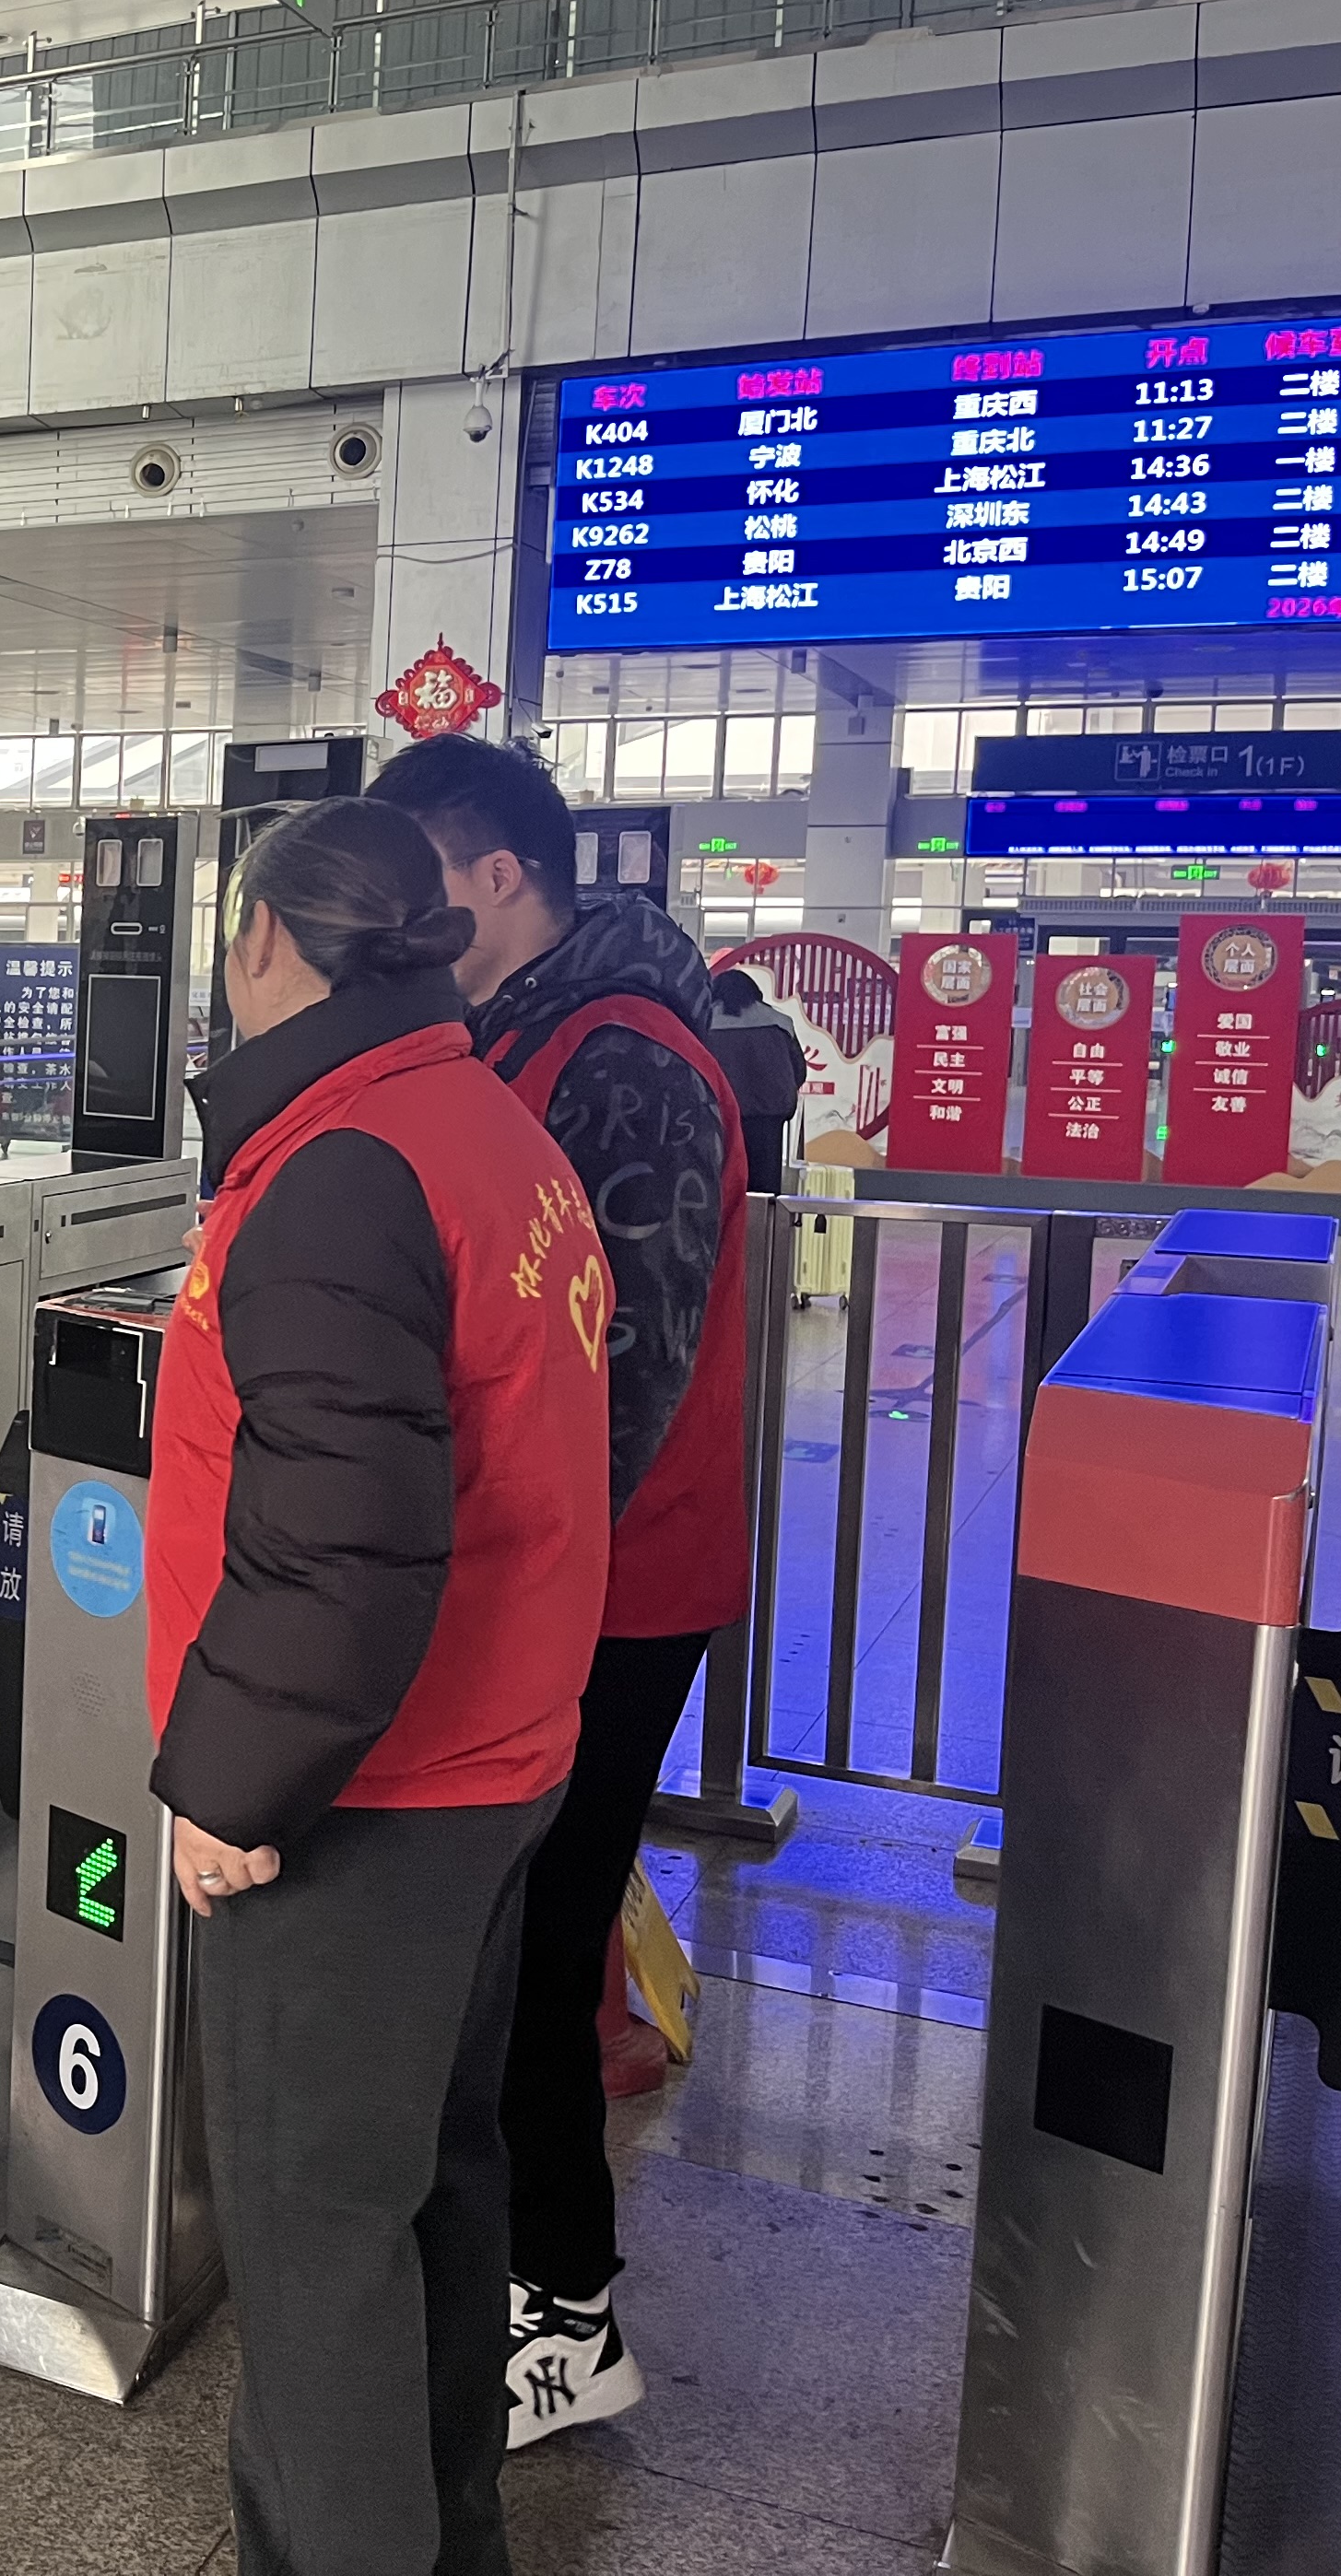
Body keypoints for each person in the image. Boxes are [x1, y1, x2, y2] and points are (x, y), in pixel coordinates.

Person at [150, 796, 611, 2576]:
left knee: (316, 2232)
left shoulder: (339, 1165)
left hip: (363, 1794)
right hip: (493, 1757)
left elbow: (339, 1536)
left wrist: (230, 1787)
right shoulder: (479, 1120)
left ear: (265, 937)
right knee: (430, 2185)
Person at [366, 732, 751, 2447]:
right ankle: (509, 2270)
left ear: (498, 875)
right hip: (542, 1575)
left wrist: (500, 1581)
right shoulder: (517, 1033)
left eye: (421, 884)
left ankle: (566, 2312)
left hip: (610, 1586)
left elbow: (623, 1375)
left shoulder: (628, 1058)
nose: (401, 919)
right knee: (504, 1932)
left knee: (538, 1936)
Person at [708, 966, 809, 1193]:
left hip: (718, 1115)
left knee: (722, 1183)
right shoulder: (779, 1022)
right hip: (768, 1118)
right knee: (764, 1187)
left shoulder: (704, 1023)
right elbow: (799, 1071)